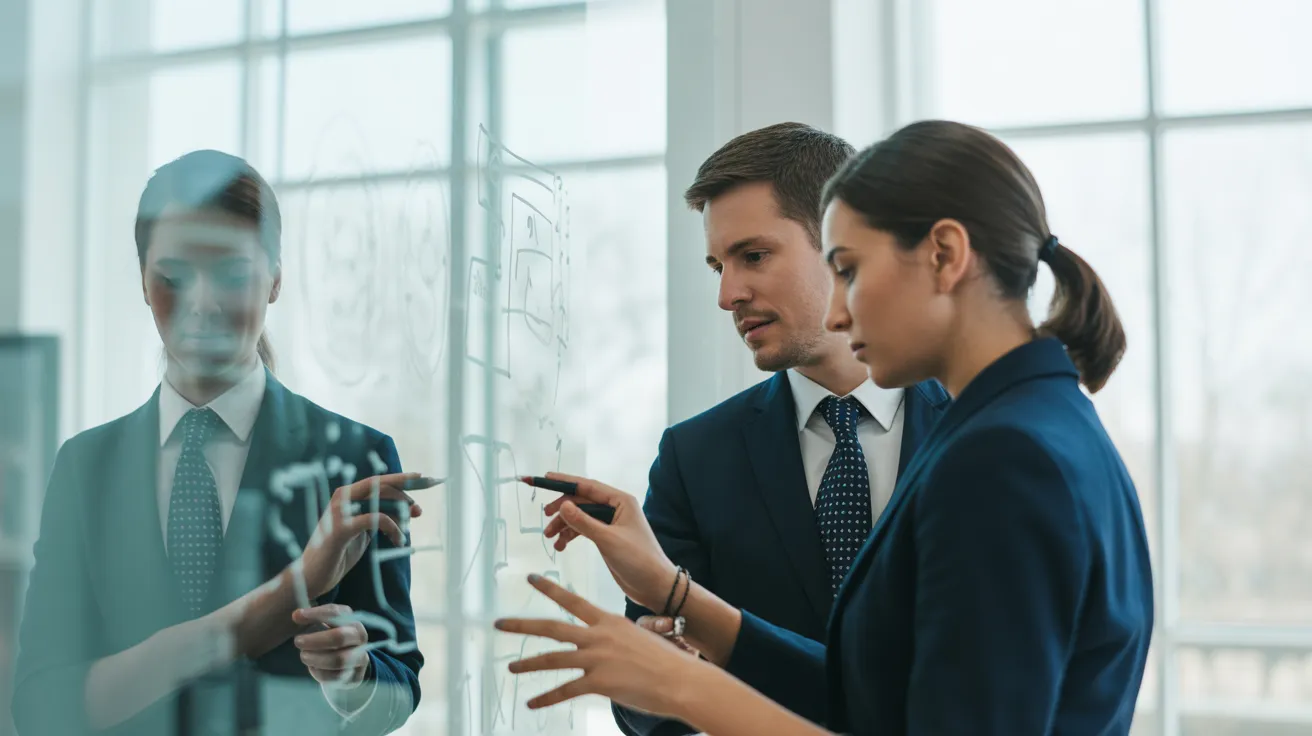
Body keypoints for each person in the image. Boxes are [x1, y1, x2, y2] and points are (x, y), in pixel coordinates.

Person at [496, 120, 1155, 735]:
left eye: (848, 270)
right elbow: (878, 704)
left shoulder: (1003, 456)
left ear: (946, 254)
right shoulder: (1031, 425)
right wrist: (677, 596)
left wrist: (687, 689)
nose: (838, 313)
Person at [13, 150, 424, 736]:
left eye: (232, 273)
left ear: (276, 276)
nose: (202, 302)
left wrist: (355, 677)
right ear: (142, 281)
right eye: (174, 276)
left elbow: (399, 693)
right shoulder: (86, 468)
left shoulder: (357, 458)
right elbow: (38, 704)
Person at [610, 122, 948, 736]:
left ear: (842, 243)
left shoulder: (979, 437)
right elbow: (645, 708)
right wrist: (656, 680)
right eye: (718, 264)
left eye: (754, 256)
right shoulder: (694, 456)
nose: (727, 294)